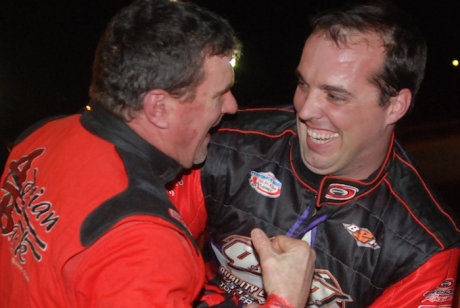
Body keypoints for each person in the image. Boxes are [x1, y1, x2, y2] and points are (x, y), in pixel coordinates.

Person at [0, 0, 316, 307]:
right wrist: (283, 300)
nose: (232, 106)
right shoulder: (142, 243)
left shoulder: (41, 134)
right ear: (159, 108)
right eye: (219, 95)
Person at [168, 1, 460, 307]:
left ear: (394, 106)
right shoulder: (227, 145)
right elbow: (147, 267)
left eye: (335, 96)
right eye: (303, 84)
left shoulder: (424, 246)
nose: (305, 110)